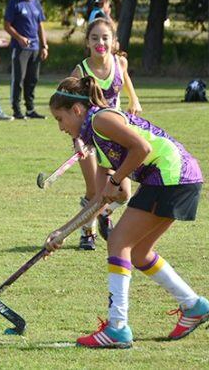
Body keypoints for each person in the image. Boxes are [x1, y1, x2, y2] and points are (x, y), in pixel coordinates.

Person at [46, 76, 209, 348]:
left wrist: (115, 180)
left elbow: (142, 148)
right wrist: (62, 232)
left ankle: (117, 327)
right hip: (179, 177)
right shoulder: (96, 140)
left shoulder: (100, 120)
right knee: (138, 252)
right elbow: (105, 197)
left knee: (118, 242)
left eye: (59, 119)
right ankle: (194, 306)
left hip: (171, 174)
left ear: (77, 110)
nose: (60, 127)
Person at [70, 18, 143, 250]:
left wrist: (134, 99)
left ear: (113, 42)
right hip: (89, 137)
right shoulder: (81, 71)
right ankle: (87, 232)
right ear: (87, 43)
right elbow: (69, 108)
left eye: (105, 37)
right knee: (94, 190)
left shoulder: (119, 62)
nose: (100, 42)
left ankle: (103, 213)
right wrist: (77, 139)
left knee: (123, 194)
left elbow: (125, 79)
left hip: (115, 137)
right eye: (94, 38)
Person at [4, 0, 48, 120]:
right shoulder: (15, 4)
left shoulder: (36, 4)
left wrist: (44, 45)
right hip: (20, 48)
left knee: (32, 79)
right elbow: (7, 25)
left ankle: (30, 109)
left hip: (35, 48)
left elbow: (40, 25)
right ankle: (17, 109)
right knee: (18, 79)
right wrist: (20, 38)